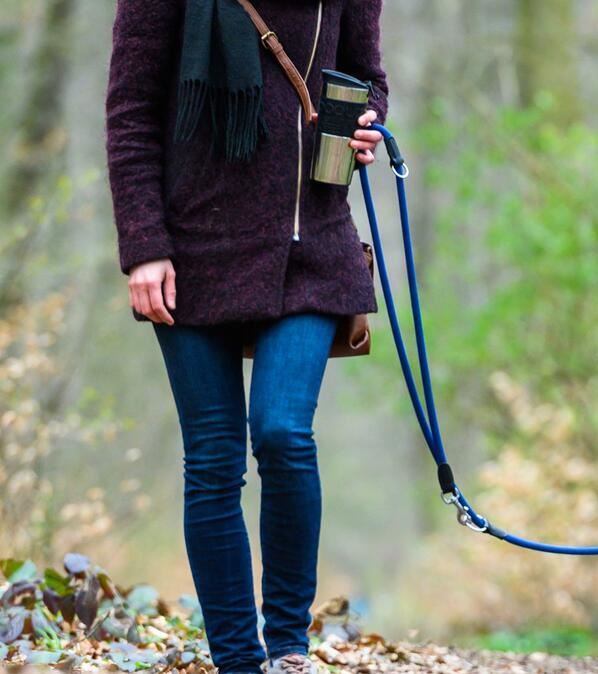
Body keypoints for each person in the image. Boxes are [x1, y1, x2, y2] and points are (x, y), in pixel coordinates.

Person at [104, 2, 388, 673]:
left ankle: (287, 647)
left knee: (285, 433)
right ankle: (238, 659)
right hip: (192, 250)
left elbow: (367, 77)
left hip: (308, 246)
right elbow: (130, 112)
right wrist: (144, 246)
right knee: (213, 458)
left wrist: (368, 125)